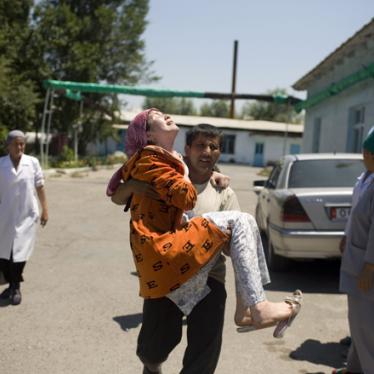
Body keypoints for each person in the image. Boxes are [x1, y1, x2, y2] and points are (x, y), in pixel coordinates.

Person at [108, 109, 302, 374]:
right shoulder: (162, 167)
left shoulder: (222, 190)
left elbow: (237, 247)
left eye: (214, 147)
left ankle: (254, 307)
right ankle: (253, 308)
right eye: (200, 145)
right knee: (153, 352)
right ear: (187, 149)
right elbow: (120, 193)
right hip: (168, 274)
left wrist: (211, 236)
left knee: (204, 354)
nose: (207, 151)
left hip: (210, 277)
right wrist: (133, 187)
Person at [336, 127, 374, 374]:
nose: (362, 155)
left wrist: (370, 266)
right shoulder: (368, 177)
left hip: (366, 267)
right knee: (358, 324)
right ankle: (354, 368)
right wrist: (347, 236)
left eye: (366, 151)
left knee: (366, 327)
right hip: (357, 259)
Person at [0, 130, 48, 305]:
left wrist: (45, 209)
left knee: (21, 253)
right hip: (5, 214)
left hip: (27, 215)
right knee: (4, 253)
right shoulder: (1, 164)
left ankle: (15, 287)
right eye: (16, 143)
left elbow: (40, 186)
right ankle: (12, 286)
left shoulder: (32, 162)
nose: (20, 147)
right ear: (8, 146)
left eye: (22, 144)